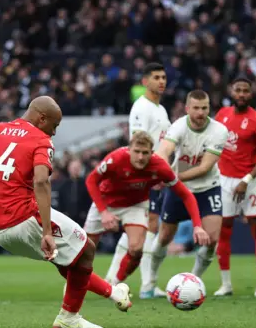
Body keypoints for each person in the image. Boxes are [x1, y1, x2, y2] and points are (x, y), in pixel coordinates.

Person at [0, 96, 131, 328]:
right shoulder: (40, 139)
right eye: (54, 126)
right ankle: (69, 318)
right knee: (86, 249)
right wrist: (47, 231)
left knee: (68, 261)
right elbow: (41, 182)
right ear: (41, 118)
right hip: (23, 217)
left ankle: (113, 293)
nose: (54, 133)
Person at [84, 130, 211, 286]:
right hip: (105, 202)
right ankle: (75, 283)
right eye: (136, 152)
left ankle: (114, 285)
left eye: (145, 153)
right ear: (129, 149)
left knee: (137, 249)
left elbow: (186, 195)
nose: (140, 157)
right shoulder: (115, 159)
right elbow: (91, 180)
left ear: (152, 152)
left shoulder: (160, 167)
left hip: (135, 205)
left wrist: (198, 226)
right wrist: (103, 212)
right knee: (86, 251)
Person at [144, 90, 228, 298]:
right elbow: (163, 151)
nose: (201, 112)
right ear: (187, 108)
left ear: (209, 108)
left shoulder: (219, 131)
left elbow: (205, 168)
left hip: (208, 187)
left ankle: (192, 282)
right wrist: (161, 170)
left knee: (211, 239)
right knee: (164, 236)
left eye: (205, 108)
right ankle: (150, 282)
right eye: (196, 108)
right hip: (179, 190)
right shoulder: (179, 125)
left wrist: (172, 179)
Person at [106, 62, 171, 297]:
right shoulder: (141, 108)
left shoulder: (160, 109)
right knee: (148, 225)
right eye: (156, 77)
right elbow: (138, 144)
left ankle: (117, 279)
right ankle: (147, 285)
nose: (161, 81)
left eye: (163, 77)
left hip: (154, 173)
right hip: (144, 175)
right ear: (145, 81)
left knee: (143, 227)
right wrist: (152, 173)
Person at [214, 75, 256, 297]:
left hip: (250, 181)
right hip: (224, 180)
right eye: (238, 90)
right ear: (231, 91)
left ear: (251, 93)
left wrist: (246, 180)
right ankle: (226, 284)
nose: (241, 94)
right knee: (224, 231)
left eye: (245, 91)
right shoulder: (222, 115)